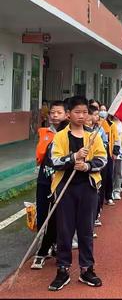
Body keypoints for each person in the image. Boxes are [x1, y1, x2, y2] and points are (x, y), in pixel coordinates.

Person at [48, 96, 107, 291]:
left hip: (88, 188)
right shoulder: (60, 136)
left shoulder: (94, 136)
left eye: (84, 112)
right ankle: (63, 269)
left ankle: (86, 269)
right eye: (77, 112)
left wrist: (87, 166)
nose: (81, 116)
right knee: (64, 230)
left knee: (86, 230)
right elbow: (54, 161)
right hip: (65, 188)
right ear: (68, 114)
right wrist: (73, 157)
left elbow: (102, 159)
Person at [31, 101, 68, 269]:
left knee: (57, 215)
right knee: (42, 213)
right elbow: (40, 156)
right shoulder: (44, 132)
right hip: (44, 179)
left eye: (58, 112)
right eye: (52, 112)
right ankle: (43, 246)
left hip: (60, 181)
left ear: (67, 114)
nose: (54, 115)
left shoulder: (70, 134)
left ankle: (46, 248)